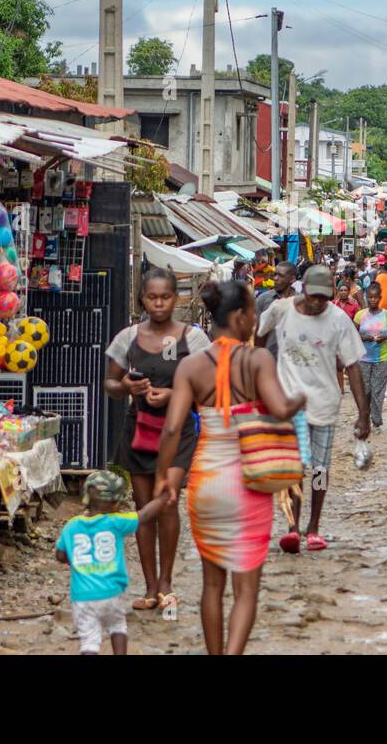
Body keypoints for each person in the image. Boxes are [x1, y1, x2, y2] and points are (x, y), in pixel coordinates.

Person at [155, 280, 305, 655]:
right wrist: (300, 397)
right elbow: (281, 408)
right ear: (239, 318)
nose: (255, 319)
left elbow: (173, 427)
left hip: (206, 481)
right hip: (248, 480)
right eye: (253, 312)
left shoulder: (191, 364)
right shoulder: (258, 360)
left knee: (211, 586)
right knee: (246, 590)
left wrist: (163, 479)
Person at [104, 269, 211, 612]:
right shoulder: (127, 339)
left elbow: (209, 386)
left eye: (165, 297)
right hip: (139, 431)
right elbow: (110, 383)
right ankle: (150, 587)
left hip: (179, 432)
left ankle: (167, 581)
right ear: (142, 299)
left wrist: (175, 395)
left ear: (175, 299)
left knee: (167, 500)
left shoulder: (193, 339)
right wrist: (126, 388)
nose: (159, 303)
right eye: (152, 297)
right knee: (143, 509)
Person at [257, 265, 369, 552]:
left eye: (324, 298)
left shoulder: (338, 320)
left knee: (320, 468)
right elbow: (259, 334)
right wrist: (262, 372)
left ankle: (314, 527)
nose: (319, 303)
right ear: (303, 290)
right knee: (294, 469)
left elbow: (353, 366)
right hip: (288, 405)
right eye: (314, 297)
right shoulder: (281, 310)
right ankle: (292, 527)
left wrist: (363, 413)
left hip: (324, 404)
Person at [56, 470, 166, 655]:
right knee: (118, 626)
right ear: (116, 503)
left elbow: (60, 555)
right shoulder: (116, 521)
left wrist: (73, 559)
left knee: (90, 640)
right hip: (112, 592)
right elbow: (145, 515)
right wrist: (163, 498)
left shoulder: (72, 526)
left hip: (82, 596)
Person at [354, 283, 387, 434]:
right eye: (370, 297)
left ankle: (377, 422)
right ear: (366, 298)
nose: (372, 300)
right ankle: (364, 419)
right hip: (363, 359)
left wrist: (384, 337)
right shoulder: (360, 315)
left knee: (378, 391)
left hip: (382, 359)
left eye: (375, 297)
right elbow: (352, 334)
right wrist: (363, 337)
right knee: (365, 391)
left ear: (380, 298)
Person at [255, 261, 297, 358]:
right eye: (275, 275)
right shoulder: (264, 299)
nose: (275, 278)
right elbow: (257, 333)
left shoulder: (300, 302)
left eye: (280, 276)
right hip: (269, 360)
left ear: (292, 279)